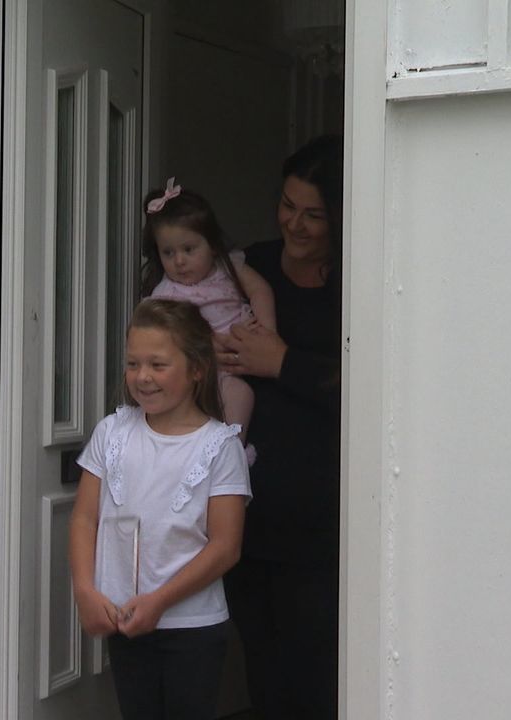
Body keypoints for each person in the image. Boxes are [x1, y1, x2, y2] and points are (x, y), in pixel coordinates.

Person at [69, 298, 252, 719]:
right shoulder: (112, 432)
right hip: (125, 625)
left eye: (158, 364)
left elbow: (226, 547)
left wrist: (159, 602)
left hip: (193, 628)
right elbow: (84, 517)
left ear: (197, 369)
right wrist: (85, 591)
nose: (142, 377)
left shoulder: (219, 446)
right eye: (133, 364)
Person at [216, 135, 343, 719]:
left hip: (323, 523)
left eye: (313, 214)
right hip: (248, 510)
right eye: (288, 205)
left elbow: (374, 388)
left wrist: (282, 361)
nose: (295, 222)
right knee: (262, 672)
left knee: (315, 674)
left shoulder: (356, 284)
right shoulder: (252, 267)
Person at [141, 177, 275, 442]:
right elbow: (168, 336)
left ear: (212, 245)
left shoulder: (229, 268)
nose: (179, 261)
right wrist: (209, 344)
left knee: (240, 395)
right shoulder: (167, 294)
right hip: (195, 374)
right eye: (168, 253)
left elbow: (261, 290)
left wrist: (267, 331)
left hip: (234, 369)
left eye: (189, 249)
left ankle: (232, 453)